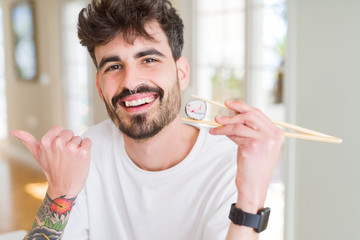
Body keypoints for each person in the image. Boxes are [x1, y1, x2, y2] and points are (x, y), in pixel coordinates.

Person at [11, 0, 284, 239]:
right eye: (114, 66)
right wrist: (59, 191)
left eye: (149, 59)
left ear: (182, 73)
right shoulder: (86, 153)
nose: (130, 82)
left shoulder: (231, 164)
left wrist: (250, 196)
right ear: (99, 86)